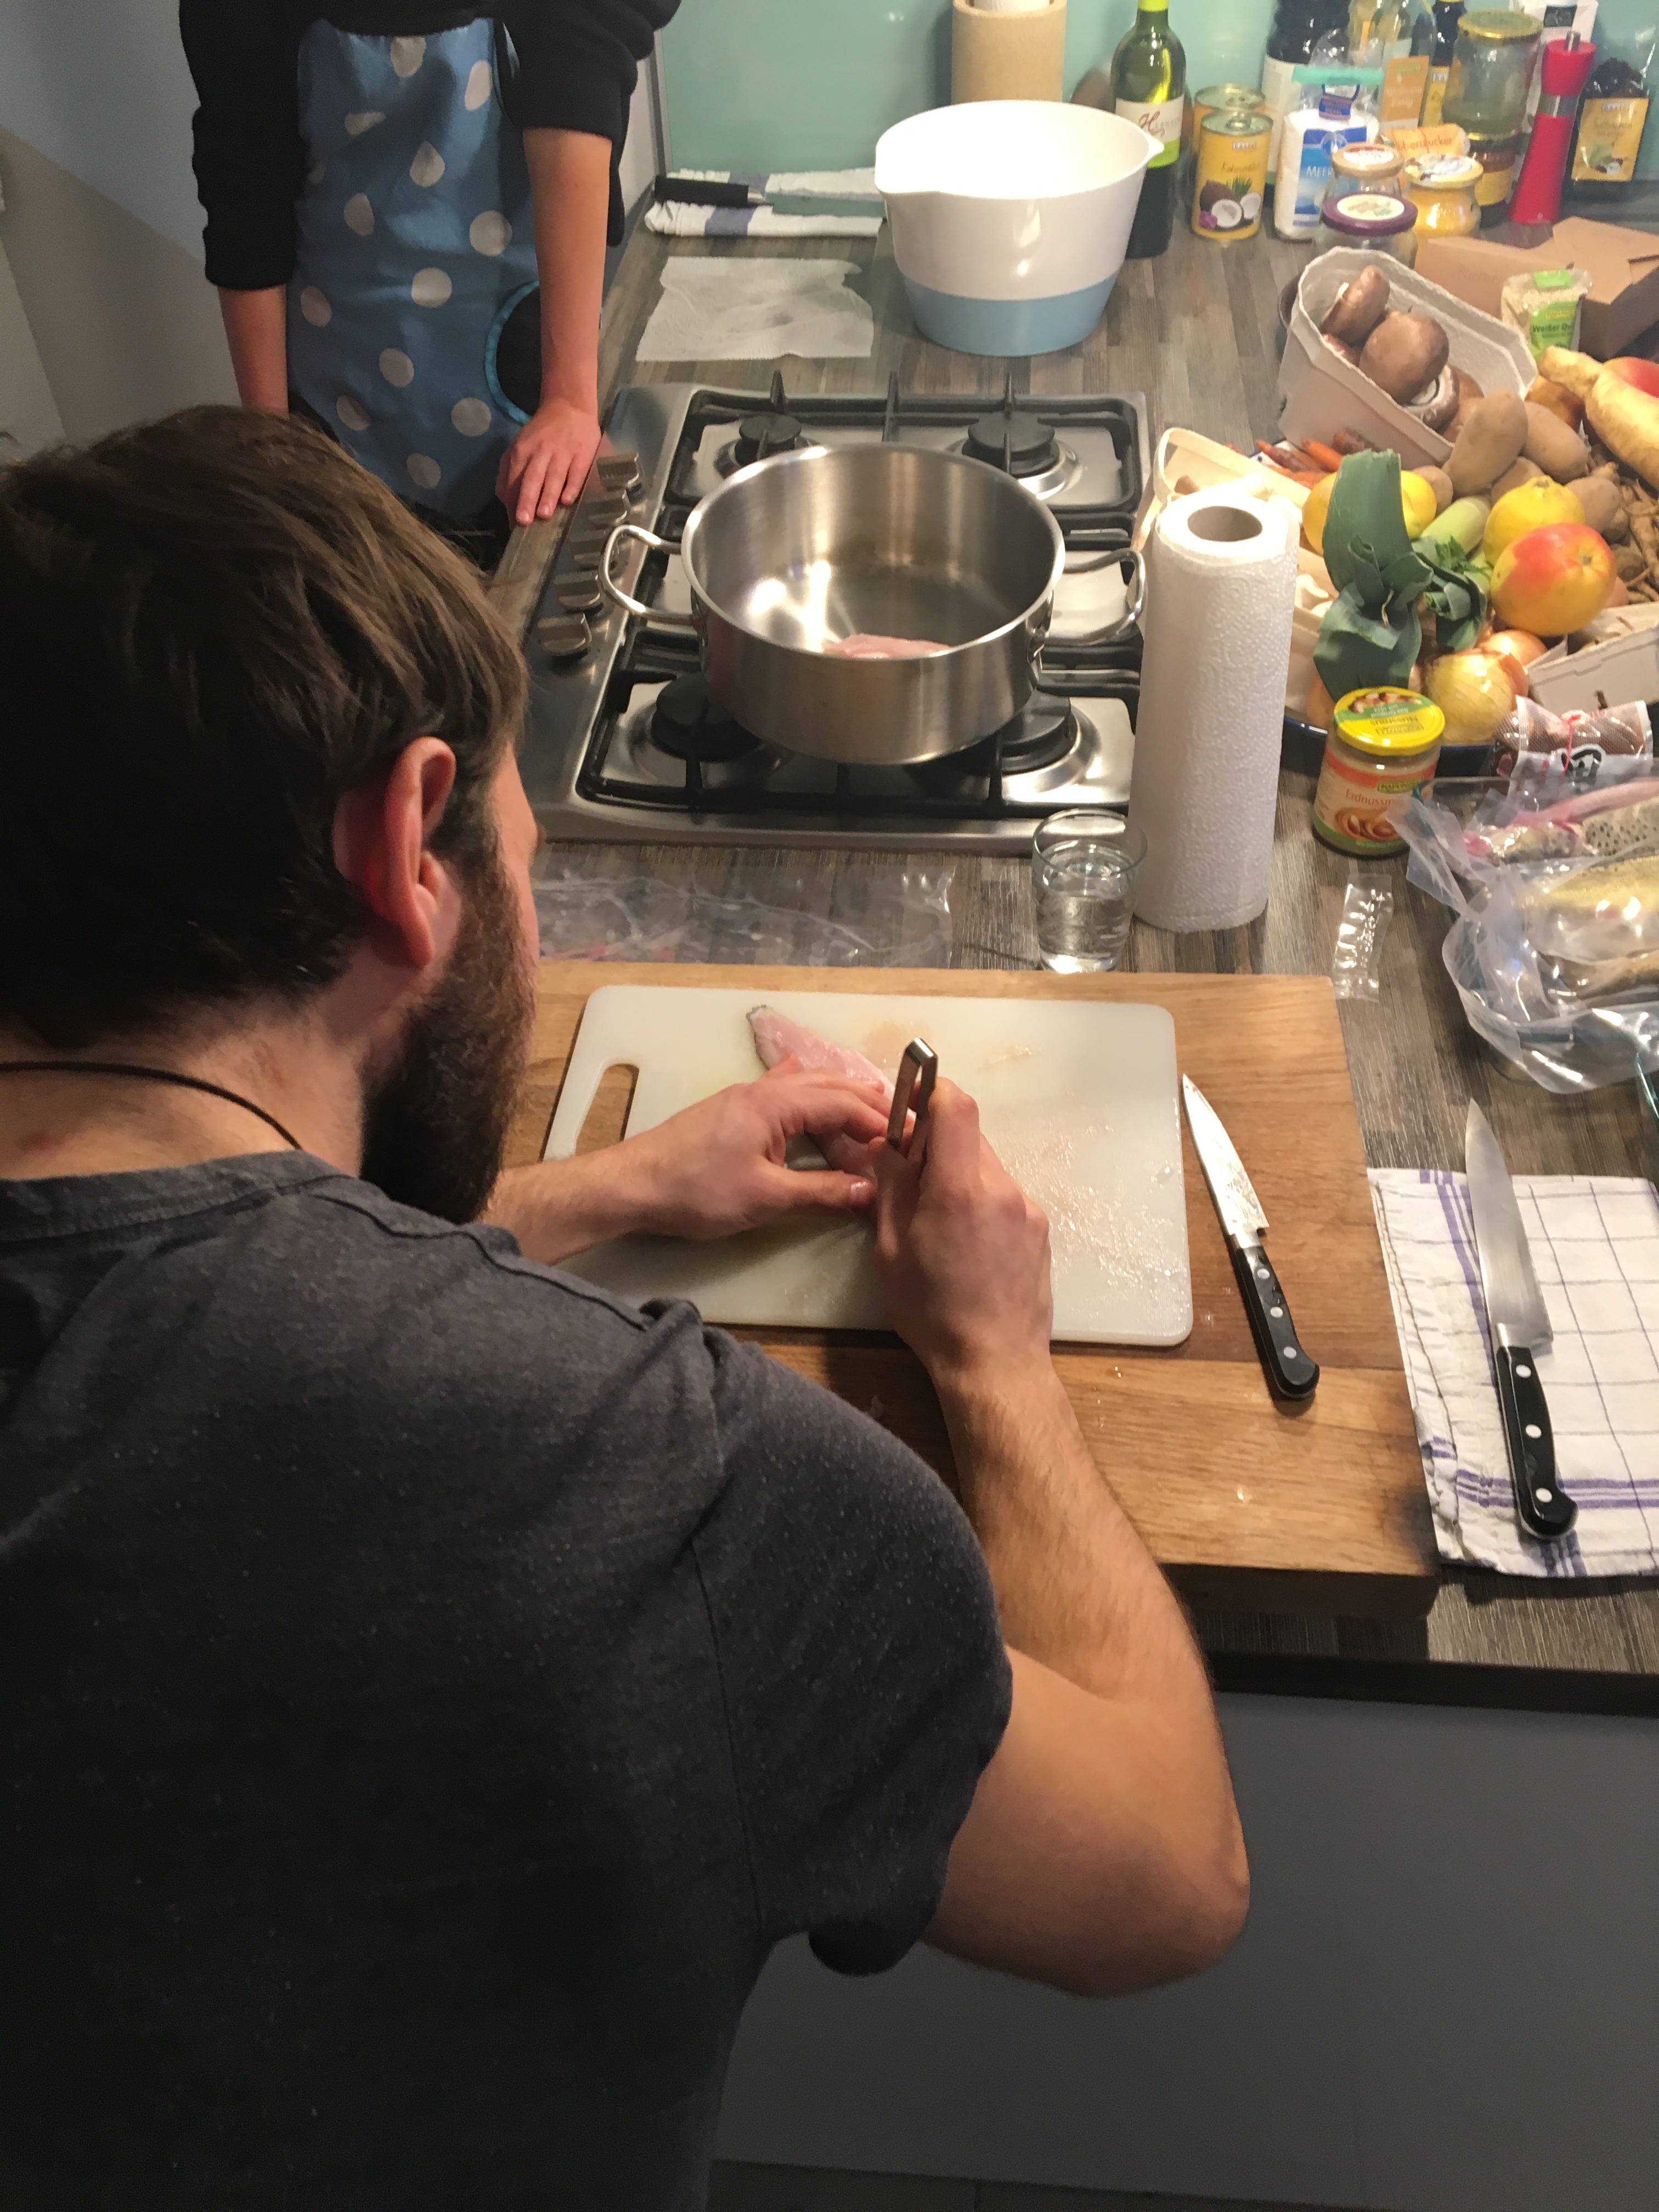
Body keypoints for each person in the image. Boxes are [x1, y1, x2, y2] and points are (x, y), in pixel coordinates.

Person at [0, 409, 1248, 2209]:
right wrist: (992, 1358)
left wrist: (603, 1190)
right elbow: (1166, 1874)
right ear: (409, 851)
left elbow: (167, 1268)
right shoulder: (658, 1484)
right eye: (528, 859)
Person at [179, 1, 675, 546]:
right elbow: (246, 193)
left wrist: (570, 399)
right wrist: (271, 451)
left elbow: (580, 72)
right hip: (335, 404)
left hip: (531, 387)